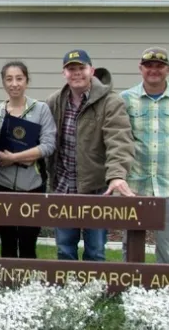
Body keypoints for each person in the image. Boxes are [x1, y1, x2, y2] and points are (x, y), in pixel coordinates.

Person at [46, 49, 135, 262]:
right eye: (71, 69)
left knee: (95, 250)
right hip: (63, 187)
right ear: (64, 73)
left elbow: (119, 140)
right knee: (64, 248)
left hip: (96, 190)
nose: (76, 73)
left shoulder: (111, 102)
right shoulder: (55, 101)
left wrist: (116, 174)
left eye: (81, 68)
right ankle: (68, 291)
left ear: (91, 71)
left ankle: (94, 292)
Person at [121, 47, 169, 264]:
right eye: (149, 66)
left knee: (167, 244)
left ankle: (163, 289)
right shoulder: (125, 99)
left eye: (159, 66)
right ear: (140, 69)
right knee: (131, 242)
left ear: (168, 70)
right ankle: (131, 287)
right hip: (135, 183)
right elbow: (120, 139)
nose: (154, 70)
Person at [0, 61, 57, 258]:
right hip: (3, 185)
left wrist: (14, 157)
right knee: (7, 241)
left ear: (27, 81)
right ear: (3, 83)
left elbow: (48, 145)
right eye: (9, 79)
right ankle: (8, 284)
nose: (14, 84)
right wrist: (2, 157)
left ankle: (28, 285)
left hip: (33, 185)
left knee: (29, 241)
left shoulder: (41, 110)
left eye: (19, 78)